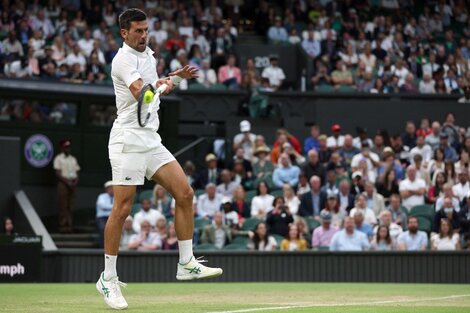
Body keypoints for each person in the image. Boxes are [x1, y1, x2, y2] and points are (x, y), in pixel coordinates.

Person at [97, 9, 222, 310]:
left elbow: (154, 93)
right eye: (137, 31)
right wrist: (164, 85)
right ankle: (108, 279)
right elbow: (143, 94)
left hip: (151, 139)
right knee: (122, 208)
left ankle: (186, 262)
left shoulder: (149, 56)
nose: (143, 35)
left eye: (146, 30)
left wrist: (173, 81)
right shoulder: (122, 60)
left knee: (185, 193)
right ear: (124, 33)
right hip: (127, 140)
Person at [53, 139, 80, 233]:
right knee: (63, 205)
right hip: (63, 183)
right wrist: (67, 182)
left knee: (71, 205)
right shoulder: (58, 158)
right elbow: (58, 173)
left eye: (69, 147)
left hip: (72, 183)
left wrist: (75, 181)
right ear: (62, 148)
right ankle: (63, 226)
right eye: (66, 147)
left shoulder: (73, 159)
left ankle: (70, 225)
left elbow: (77, 172)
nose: (68, 149)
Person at [96, 181, 114, 248]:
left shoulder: (117, 197)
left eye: (113, 188)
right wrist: (114, 207)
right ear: (106, 189)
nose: (111, 190)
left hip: (113, 218)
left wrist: (114, 208)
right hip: (102, 218)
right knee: (103, 228)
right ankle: (102, 247)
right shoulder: (101, 196)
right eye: (110, 188)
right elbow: (102, 206)